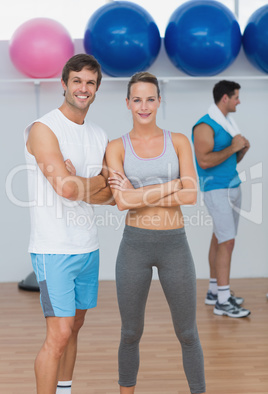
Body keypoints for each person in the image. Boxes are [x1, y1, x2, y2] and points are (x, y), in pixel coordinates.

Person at [105, 72, 206, 394]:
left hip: (174, 244)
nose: (144, 106)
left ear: (159, 101)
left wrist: (139, 194)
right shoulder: (115, 147)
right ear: (127, 103)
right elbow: (121, 202)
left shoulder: (178, 141)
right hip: (134, 246)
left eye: (150, 99)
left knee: (188, 332)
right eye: (137, 99)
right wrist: (171, 185)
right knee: (130, 332)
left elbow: (191, 196)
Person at [24, 53, 114, 394]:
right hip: (54, 249)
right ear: (64, 84)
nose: (83, 88)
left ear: (96, 89)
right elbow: (63, 187)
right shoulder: (43, 128)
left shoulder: (99, 134)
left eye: (90, 82)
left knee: (74, 327)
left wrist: (79, 184)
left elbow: (113, 196)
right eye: (77, 80)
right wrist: (87, 183)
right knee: (58, 334)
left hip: (88, 246)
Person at [192, 80, 251, 318]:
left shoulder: (226, 124)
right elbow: (205, 162)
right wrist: (233, 146)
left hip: (231, 185)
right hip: (216, 190)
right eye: (236, 97)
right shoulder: (204, 126)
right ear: (225, 98)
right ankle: (223, 301)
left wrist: (241, 151)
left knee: (220, 238)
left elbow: (226, 162)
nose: (239, 101)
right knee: (227, 241)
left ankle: (215, 291)